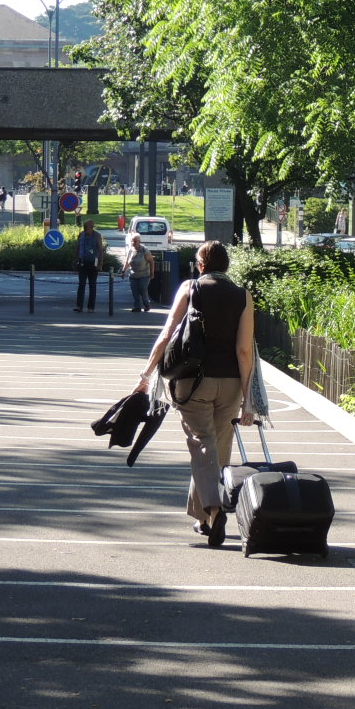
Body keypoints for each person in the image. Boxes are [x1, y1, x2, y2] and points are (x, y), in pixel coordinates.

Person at [136, 241, 255, 547]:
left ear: (201, 264)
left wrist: (146, 375)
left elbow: (168, 333)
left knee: (202, 445)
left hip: (193, 381)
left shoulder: (191, 288)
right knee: (218, 448)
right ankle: (201, 516)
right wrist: (249, 400)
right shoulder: (243, 296)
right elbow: (244, 351)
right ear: (226, 265)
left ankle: (214, 511)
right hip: (229, 384)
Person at [74, 219, 102, 312]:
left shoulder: (97, 236)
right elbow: (78, 248)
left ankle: (91, 307)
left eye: (88, 226)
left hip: (93, 263)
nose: (86, 228)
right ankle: (79, 306)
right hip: (82, 263)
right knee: (81, 284)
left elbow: (100, 250)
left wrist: (100, 263)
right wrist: (75, 260)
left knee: (92, 285)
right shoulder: (81, 235)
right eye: (85, 226)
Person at [123, 232, 155, 313]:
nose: (133, 243)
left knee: (142, 289)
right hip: (133, 275)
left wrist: (152, 273)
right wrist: (123, 271)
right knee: (135, 291)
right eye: (132, 241)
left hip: (144, 275)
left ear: (139, 241)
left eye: (135, 241)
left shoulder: (145, 250)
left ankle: (147, 304)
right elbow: (127, 262)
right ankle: (137, 307)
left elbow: (151, 261)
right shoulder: (131, 250)